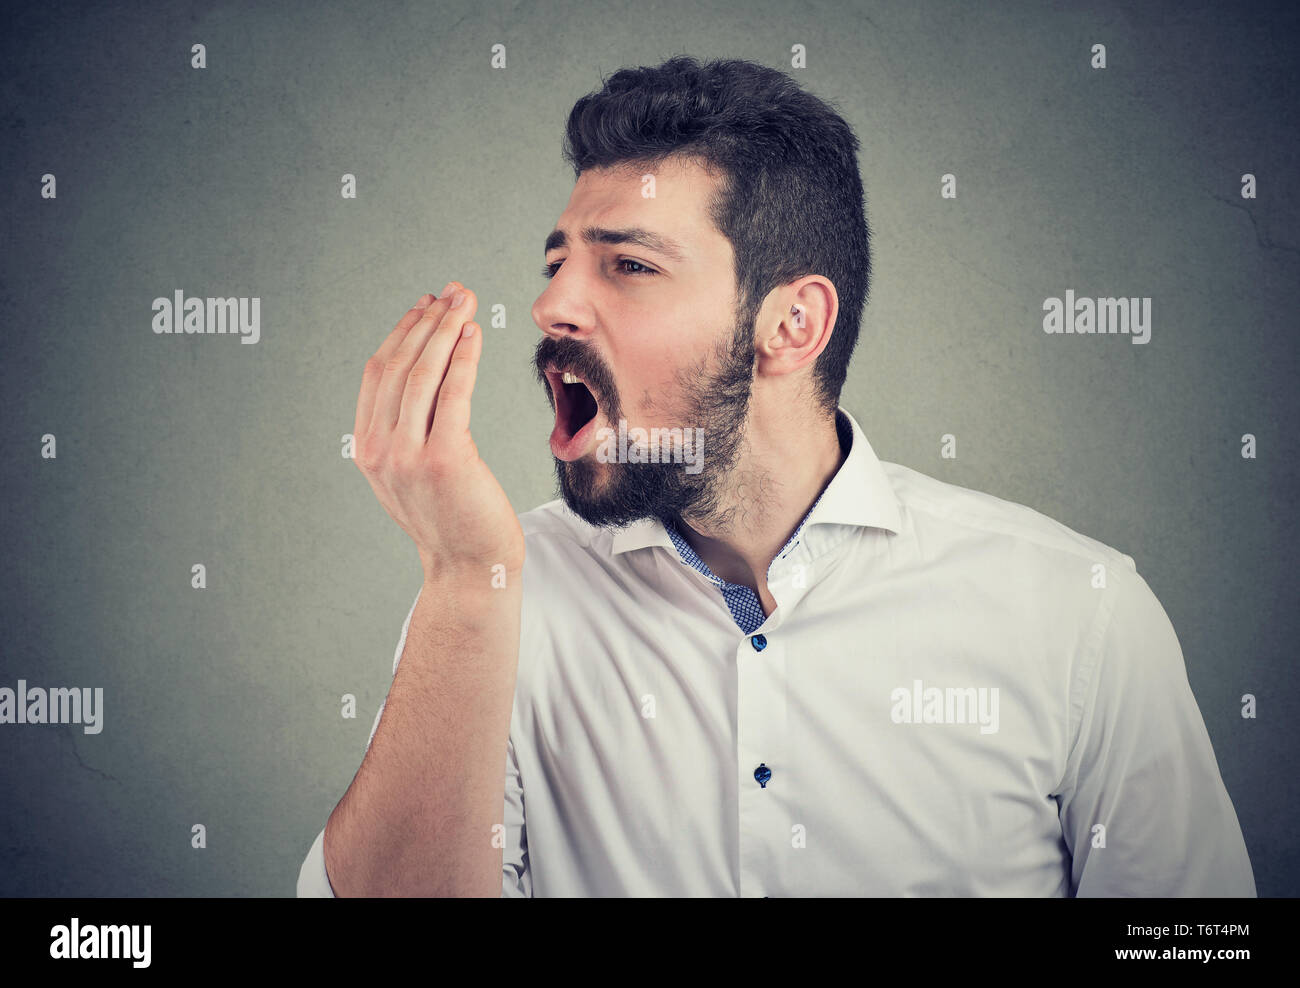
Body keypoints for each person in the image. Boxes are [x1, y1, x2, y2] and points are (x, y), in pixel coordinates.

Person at [297, 56, 1255, 897]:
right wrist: (465, 584)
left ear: (791, 326)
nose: (551, 305)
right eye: (557, 265)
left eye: (627, 264)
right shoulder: (498, 599)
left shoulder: (1077, 615)